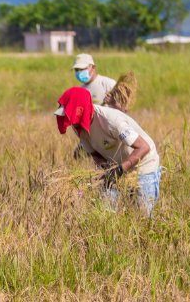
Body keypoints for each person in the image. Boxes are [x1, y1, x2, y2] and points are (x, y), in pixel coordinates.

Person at [54, 87, 161, 215]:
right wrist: (105, 170)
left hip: (143, 165)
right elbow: (95, 154)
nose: (70, 122)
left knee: (142, 214)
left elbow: (143, 147)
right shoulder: (78, 126)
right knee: (105, 212)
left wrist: (121, 169)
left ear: (80, 111)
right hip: (117, 167)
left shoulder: (111, 121)